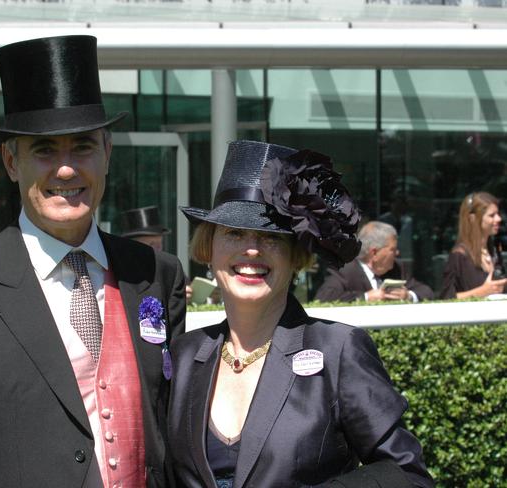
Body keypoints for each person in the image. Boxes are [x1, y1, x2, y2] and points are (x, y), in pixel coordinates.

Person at [0, 35, 186, 488]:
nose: (66, 169)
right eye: (44, 150)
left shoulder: (155, 274)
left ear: (107, 153)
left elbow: (172, 427)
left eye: (83, 146)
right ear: (12, 162)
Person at [168, 140, 434, 487]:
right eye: (234, 233)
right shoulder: (183, 356)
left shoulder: (338, 350)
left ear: (295, 257)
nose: (251, 248)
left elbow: (407, 475)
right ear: (209, 247)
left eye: (271, 237)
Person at [315, 221, 434, 303]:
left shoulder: (397, 268)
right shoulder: (345, 271)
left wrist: (408, 296)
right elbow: (323, 299)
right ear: (374, 253)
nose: (397, 253)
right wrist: (366, 297)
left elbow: (427, 292)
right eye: (392, 249)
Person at [440, 191, 507, 299]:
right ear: (473, 219)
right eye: (491, 215)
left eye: (498, 214)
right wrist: (482, 291)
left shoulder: (493, 252)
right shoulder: (459, 256)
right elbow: (446, 298)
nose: (498, 219)